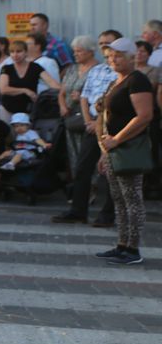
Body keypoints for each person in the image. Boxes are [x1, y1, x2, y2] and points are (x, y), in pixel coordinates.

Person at [53, 30, 124, 225]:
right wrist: (88, 121)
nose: (104, 46)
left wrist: (99, 123)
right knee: (82, 167)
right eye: (101, 43)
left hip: (112, 125)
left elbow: (115, 102)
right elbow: (85, 97)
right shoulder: (97, 70)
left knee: (110, 171)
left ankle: (107, 215)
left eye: (108, 42)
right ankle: (78, 211)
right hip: (92, 123)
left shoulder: (122, 72)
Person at [94, 37, 154, 265]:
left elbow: (144, 116)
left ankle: (133, 249)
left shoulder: (137, 80)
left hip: (128, 148)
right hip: (112, 149)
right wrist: (104, 151)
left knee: (132, 199)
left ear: (131, 57)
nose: (113, 60)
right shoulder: (116, 81)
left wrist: (117, 140)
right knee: (118, 199)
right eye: (110, 56)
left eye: (118, 56)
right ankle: (121, 245)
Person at [59, 36, 100, 180]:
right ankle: (78, 183)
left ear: (91, 52)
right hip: (70, 117)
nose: (75, 54)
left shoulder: (98, 70)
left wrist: (84, 98)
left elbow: (102, 95)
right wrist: (62, 106)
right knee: (73, 153)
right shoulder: (71, 69)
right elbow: (62, 92)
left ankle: (92, 184)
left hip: (88, 118)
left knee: (88, 153)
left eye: (79, 51)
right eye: (74, 51)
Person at [0, 40, 60, 123]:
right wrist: (25, 90)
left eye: (19, 51)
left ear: (26, 52)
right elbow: (3, 89)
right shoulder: (6, 68)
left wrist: (64, 90)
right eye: (12, 52)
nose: (15, 55)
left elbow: (51, 82)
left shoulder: (35, 67)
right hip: (7, 109)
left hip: (27, 110)